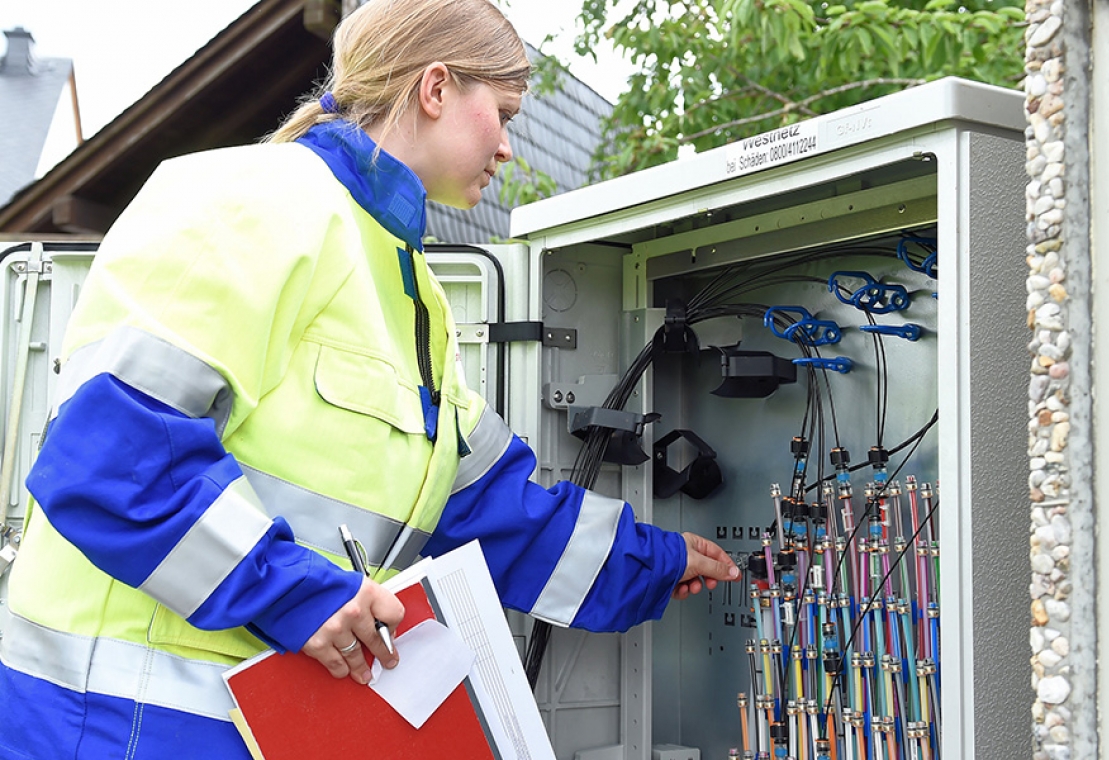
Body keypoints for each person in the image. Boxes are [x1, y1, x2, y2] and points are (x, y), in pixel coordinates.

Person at [0, 0, 739, 757]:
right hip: (113, 723)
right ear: (437, 88)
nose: (510, 148)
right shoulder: (248, 200)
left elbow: (482, 502)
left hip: (257, 725)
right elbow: (110, 456)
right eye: (505, 113)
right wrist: (299, 593)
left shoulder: (411, 288)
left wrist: (657, 563)